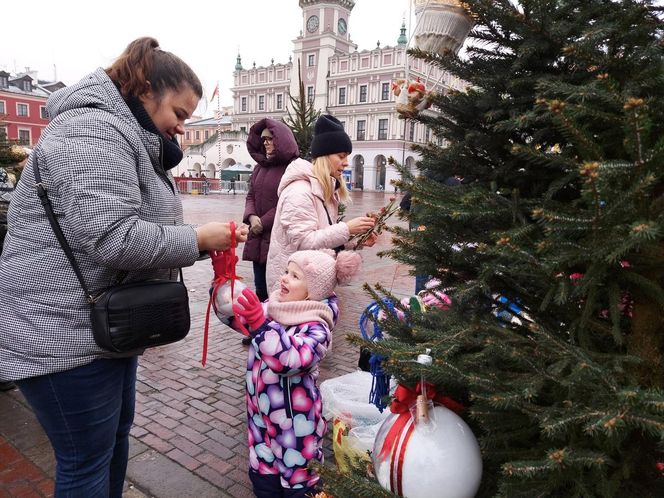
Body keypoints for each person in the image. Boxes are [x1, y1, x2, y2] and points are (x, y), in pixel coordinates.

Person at [0, 37, 248, 497]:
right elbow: (111, 238)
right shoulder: (92, 130)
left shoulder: (124, 132)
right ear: (145, 89)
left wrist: (199, 242)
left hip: (102, 327)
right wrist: (199, 238)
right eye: (179, 113)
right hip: (61, 333)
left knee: (110, 445)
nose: (180, 127)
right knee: (85, 461)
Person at [233, 248, 362, 497]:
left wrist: (261, 326)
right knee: (264, 480)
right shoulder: (274, 307)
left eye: (295, 276)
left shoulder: (317, 326)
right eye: (286, 272)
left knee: (299, 485)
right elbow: (238, 317)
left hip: (296, 427)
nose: (284, 278)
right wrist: (223, 282)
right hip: (260, 417)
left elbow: (291, 360)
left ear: (312, 291)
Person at [266, 114, 377, 293]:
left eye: (347, 156)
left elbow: (323, 239)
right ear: (324, 156)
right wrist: (347, 229)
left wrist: (357, 240)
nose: (346, 162)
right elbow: (304, 243)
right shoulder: (300, 192)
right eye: (341, 156)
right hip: (291, 290)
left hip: (308, 285)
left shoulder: (323, 190)